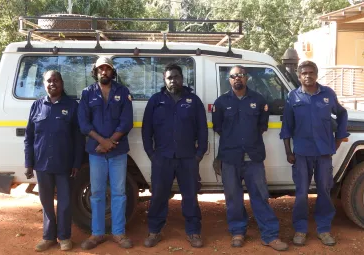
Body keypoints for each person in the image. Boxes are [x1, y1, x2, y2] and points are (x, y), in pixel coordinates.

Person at [212, 65, 288, 251]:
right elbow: (218, 127)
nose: (237, 78)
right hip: (230, 157)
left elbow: (263, 126)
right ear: (229, 80)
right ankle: (238, 232)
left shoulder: (259, 100)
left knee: (260, 196)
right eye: (233, 76)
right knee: (233, 198)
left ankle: (269, 235)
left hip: (253, 157)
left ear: (247, 78)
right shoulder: (221, 102)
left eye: (241, 75)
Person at [280, 60, 349, 246]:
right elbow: (286, 126)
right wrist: (288, 152)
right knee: (301, 193)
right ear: (299, 75)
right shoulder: (293, 97)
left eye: (311, 72)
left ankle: (324, 229)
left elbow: (342, 114)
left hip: (324, 153)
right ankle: (300, 230)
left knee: (324, 192)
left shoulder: (327, 94)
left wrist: (338, 140)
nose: (307, 75)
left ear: (316, 74)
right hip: (301, 153)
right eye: (304, 73)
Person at [141, 63, 208, 248]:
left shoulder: (193, 101)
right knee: (158, 196)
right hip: (162, 158)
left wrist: (199, 154)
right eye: (169, 77)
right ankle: (155, 231)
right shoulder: (156, 101)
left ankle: (193, 232)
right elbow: (147, 130)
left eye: (176, 77)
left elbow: (202, 129)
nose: (173, 80)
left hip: (188, 159)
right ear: (164, 79)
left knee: (190, 196)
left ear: (182, 78)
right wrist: (151, 154)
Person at [24, 70, 85, 252]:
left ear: (62, 83)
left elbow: (78, 138)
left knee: (65, 203)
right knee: (46, 202)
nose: (52, 84)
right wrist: (29, 163)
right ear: (44, 84)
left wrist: (76, 163)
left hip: (64, 164)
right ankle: (48, 237)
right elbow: (29, 137)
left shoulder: (72, 106)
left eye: (56, 80)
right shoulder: (36, 106)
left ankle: (65, 237)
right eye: (49, 81)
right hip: (42, 164)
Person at [78, 56, 133, 250]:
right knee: (97, 193)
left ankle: (119, 233)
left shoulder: (123, 91)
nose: (104, 72)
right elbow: (84, 124)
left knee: (119, 193)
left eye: (107, 69)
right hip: (96, 151)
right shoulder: (87, 93)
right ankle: (97, 233)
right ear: (95, 72)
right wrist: (102, 142)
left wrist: (111, 142)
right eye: (100, 69)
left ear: (112, 72)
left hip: (118, 151)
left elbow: (127, 122)